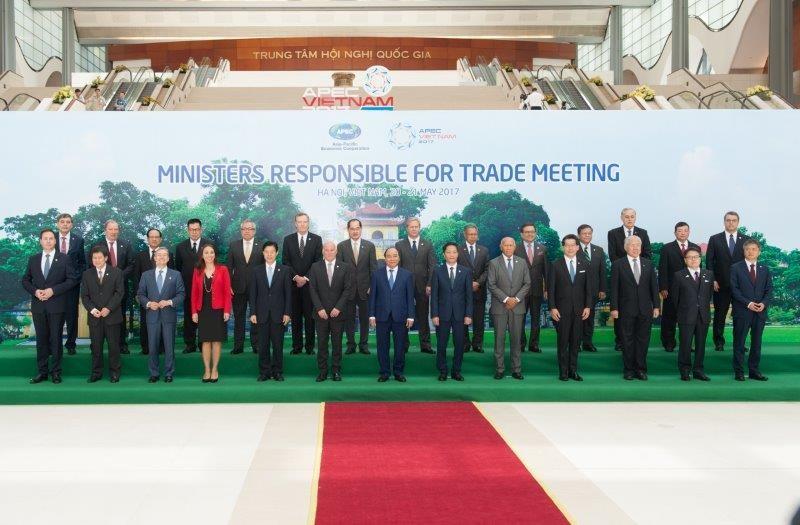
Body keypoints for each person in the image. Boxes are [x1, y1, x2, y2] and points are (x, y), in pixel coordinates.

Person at [22, 229, 77, 384]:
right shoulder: (33, 259)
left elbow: (71, 280)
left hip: (57, 306)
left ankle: (56, 372)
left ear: (55, 241)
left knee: (56, 340)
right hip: (38, 306)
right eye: (45, 238)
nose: (48, 241)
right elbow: (25, 280)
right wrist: (35, 291)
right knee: (41, 340)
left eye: (51, 238)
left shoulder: (64, 259)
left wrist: (53, 290)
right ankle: (42, 372)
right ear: (40, 241)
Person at [610, 235, 659, 381]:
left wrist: (656, 306)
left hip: (645, 309)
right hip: (625, 309)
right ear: (626, 247)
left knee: (643, 340)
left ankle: (641, 369)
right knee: (627, 340)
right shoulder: (618, 264)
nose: (636, 247)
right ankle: (629, 370)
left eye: (638, 244)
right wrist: (614, 308)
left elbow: (653, 288)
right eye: (632, 245)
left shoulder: (648, 264)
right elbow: (614, 289)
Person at [137, 247, 185, 384]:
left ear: (169, 259)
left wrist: (170, 302)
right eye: (159, 255)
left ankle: (169, 373)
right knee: (152, 346)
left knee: (169, 346)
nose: (162, 258)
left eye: (165, 255)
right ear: (155, 258)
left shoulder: (176, 275)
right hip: (152, 316)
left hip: (168, 316)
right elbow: (140, 294)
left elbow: (181, 294)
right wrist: (148, 303)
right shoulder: (146, 275)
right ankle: (154, 373)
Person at [607, 208, 652, 351]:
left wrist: (637, 266)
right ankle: (620, 341)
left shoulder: (643, 233)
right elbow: (613, 255)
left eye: (632, 216)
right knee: (620, 312)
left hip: (639, 274)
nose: (630, 219)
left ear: (635, 217)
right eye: (627, 217)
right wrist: (625, 268)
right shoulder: (613, 233)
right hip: (621, 276)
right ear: (622, 218)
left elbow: (647, 254)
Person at [548, 234, 591, 381]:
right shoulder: (555, 264)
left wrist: (588, 306)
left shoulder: (585, 264)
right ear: (562, 247)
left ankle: (573, 371)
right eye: (567, 245)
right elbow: (551, 289)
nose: (570, 248)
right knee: (563, 342)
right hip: (561, 311)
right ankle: (563, 372)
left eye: (573, 245)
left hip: (580, 311)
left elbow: (588, 289)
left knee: (575, 342)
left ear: (578, 247)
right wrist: (552, 307)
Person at [368, 247, 415, 382]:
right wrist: (372, 315)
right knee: (382, 345)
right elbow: (373, 296)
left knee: (400, 346)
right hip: (381, 316)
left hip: (400, 316)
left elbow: (409, 297)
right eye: (389, 256)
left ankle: (398, 372)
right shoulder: (377, 274)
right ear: (385, 258)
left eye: (395, 256)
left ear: (399, 258)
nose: (392, 258)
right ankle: (384, 372)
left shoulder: (407, 275)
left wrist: (411, 316)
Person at [309, 241, 353, 382]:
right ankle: (322, 372)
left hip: (337, 313)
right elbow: (312, 289)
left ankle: (336, 371)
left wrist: (338, 307)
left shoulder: (345, 267)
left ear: (336, 251)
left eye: (331, 250)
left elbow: (347, 289)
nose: (329, 252)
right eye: (326, 250)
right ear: (323, 251)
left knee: (337, 344)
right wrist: (319, 308)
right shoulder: (315, 267)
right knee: (321, 344)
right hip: (320, 313)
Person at [88, 220, 134, 354]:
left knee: (120, 315)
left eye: (116, 229)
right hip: (99, 288)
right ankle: (95, 345)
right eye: (110, 229)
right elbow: (91, 265)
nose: (113, 232)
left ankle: (121, 344)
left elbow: (131, 265)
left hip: (120, 287)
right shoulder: (96, 245)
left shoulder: (126, 245)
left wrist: (118, 277)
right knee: (98, 315)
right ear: (105, 230)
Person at [487, 237, 531, 380]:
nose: (508, 247)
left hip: (517, 307)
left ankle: (516, 369)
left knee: (516, 340)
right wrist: (506, 299)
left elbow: (527, 284)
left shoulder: (522, 262)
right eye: (505, 245)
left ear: (515, 247)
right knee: (499, 340)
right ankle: (499, 369)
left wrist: (516, 299)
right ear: (501, 246)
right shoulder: (493, 263)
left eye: (511, 245)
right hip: (500, 307)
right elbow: (491, 285)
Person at [249, 241, 292, 382]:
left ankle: (278, 372)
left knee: (278, 345)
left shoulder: (285, 270)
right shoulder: (256, 270)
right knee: (263, 345)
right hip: (261, 314)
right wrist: (253, 313)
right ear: (263, 253)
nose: (269, 254)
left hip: (278, 315)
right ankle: (264, 372)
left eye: (272, 252)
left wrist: (287, 313)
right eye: (266, 252)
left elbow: (288, 294)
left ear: (277, 253)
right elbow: (253, 294)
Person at [705, 211, 748, 352]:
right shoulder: (715, 239)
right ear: (724, 222)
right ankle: (718, 342)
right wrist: (713, 280)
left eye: (734, 220)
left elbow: (749, 261)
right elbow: (709, 261)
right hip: (720, 284)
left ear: (738, 222)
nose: (731, 223)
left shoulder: (746, 240)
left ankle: (739, 343)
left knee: (740, 315)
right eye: (728, 220)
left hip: (741, 286)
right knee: (719, 314)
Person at [730, 239, 772, 382]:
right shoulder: (735, 268)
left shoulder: (764, 269)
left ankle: (754, 371)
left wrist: (763, 304)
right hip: (742, 311)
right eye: (748, 249)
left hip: (760, 312)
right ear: (744, 251)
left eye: (754, 249)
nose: (751, 251)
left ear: (759, 251)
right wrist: (748, 303)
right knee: (739, 343)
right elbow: (734, 290)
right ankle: (739, 372)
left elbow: (769, 290)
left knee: (756, 343)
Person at [81, 245, 124, 383]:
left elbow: (119, 293)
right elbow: (85, 296)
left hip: (112, 316)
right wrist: (92, 310)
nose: (97, 260)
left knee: (113, 347)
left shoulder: (117, 272)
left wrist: (108, 308)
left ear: (106, 258)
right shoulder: (87, 274)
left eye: (100, 257)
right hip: (95, 318)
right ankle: (96, 373)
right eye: (94, 258)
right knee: (96, 348)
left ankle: (115, 373)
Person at [430, 243, 473, 381]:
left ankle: (456, 371)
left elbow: (469, 296)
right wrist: (434, 314)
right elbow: (434, 295)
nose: (451, 255)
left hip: (461, 315)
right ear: (444, 254)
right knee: (441, 344)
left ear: (457, 254)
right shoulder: (437, 271)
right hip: (442, 314)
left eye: (454, 252)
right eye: (448, 252)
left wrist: (468, 314)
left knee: (459, 344)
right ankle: (442, 371)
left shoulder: (465, 271)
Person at [282, 212, 323, 355]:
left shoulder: (317, 239)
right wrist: (296, 277)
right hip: (293, 285)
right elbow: (285, 261)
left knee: (310, 317)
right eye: (299, 222)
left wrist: (305, 278)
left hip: (310, 285)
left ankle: (310, 347)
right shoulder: (288, 240)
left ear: (308, 223)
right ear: (295, 223)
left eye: (305, 221)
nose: (302, 224)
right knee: (296, 317)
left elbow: (318, 262)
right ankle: (297, 346)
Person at [670, 247, 713, 381]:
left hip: (703, 316)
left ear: (700, 259)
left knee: (700, 345)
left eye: (696, 257)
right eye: (690, 257)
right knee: (685, 344)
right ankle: (685, 370)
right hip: (686, 316)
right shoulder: (679, 275)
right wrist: (683, 311)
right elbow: (675, 298)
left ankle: (698, 370)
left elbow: (709, 295)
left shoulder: (709, 274)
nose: (693, 259)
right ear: (685, 260)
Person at [191, 243, 232, 383]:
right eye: (206, 252)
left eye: (212, 252)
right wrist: (194, 312)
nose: (209, 255)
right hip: (203, 310)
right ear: (202, 255)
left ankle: (215, 369)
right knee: (205, 341)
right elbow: (194, 293)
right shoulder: (197, 271)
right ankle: (206, 369)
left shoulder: (223, 269)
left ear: (215, 254)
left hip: (218, 310)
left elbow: (227, 292)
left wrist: (227, 310)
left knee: (216, 341)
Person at [658, 222, 701, 353]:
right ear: (675, 232)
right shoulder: (667, 248)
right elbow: (662, 269)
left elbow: (700, 268)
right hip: (671, 289)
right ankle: (669, 343)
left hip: (692, 289)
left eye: (685, 230)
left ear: (689, 232)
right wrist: (663, 287)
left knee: (690, 317)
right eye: (680, 231)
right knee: (669, 317)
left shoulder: (695, 247)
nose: (682, 233)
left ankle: (689, 344)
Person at [395, 217, 436, 354]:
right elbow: (397, 266)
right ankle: (403, 345)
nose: (414, 229)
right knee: (403, 316)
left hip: (423, 286)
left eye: (416, 226)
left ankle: (425, 345)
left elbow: (432, 266)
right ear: (407, 228)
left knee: (423, 316)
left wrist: (430, 283)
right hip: (404, 286)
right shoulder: (400, 245)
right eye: (411, 227)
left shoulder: (428, 244)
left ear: (419, 227)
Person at [337, 218, 377, 355]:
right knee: (349, 319)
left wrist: (372, 285)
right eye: (352, 228)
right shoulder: (341, 246)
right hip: (348, 290)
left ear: (361, 229)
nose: (355, 231)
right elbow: (339, 270)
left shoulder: (370, 246)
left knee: (365, 319)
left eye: (357, 228)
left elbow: (374, 269)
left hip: (365, 289)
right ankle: (351, 344)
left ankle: (364, 344)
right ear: (348, 230)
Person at [227, 219, 264, 355]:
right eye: (244, 229)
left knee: (256, 317)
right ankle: (238, 346)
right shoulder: (233, 245)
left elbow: (264, 268)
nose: (247, 231)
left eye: (250, 229)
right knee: (239, 317)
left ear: (254, 231)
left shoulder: (261, 246)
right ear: (241, 230)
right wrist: (229, 285)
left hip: (257, 288)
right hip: (238, 288)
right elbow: (229, 267)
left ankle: (256, 345)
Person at [133, 228, 172, 356]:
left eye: (157, 237)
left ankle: (162, 347)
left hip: (164, 298)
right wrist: (138, 295)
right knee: (146, 322)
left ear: (160, 239)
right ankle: (146, 347)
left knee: (164, 322)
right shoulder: (140, 256)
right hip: (146, 298)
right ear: (147, 239)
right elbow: (136, 277)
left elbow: (173, 275)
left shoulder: (168, 255)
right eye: (151, 237)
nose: (154, 239)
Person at [175, 218, 210, 354]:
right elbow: (178, 267)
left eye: (197, 229)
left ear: (201, 229)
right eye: (191, 229)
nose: (194, 232)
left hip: (206, 288)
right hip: (188, 288)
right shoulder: (180, 247)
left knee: (204, 317)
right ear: (188, 230)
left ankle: (203, 344)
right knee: (189, 317)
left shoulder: (209, 244)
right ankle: (189, 344)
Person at [515, 222, 548, 353]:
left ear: (535, 233)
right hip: (519, 291)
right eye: (527, 232)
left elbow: (546, 271)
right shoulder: (515, 249)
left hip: (537, 290)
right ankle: (520, 345)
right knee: (520, 319)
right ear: (522, 234)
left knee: (536, 318)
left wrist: (547, 289)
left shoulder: (542, 249)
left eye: (532, 231)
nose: (530, 234)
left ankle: (534, 344)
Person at [55, 212, 85, 355]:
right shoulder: (51, 238)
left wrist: (75, 279)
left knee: (72, 315)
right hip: (53, 285)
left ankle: (71, 344)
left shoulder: (78, 240)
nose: (65, 224)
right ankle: (54, 344)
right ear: (57, 224)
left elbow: (82, 263)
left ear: (71, 224)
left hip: (72, 284)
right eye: (62, 221)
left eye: (68, 222)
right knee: (54, 314)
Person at [457, 224, 489, 353]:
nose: (473, 236)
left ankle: (477, 344)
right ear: (465, 235)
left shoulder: (484, 250)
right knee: (463, 318)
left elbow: (487, 270)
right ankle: (465, 344)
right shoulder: (458, 250)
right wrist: (468, 283)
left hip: (479, 290)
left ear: (478, 235)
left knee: (479, 319)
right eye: (470, 234)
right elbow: (456, 268)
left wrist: (478, 283)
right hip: (462, 291)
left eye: (475, 234)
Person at [576, 224, 606, 352]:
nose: (587, 235)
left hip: (593, 291)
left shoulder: (598, 250)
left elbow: (602, 272)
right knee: (577, 318)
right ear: (579, 235)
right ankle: (576, 344)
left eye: (589, 233)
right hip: (576, 291)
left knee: (589, 318)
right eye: (584, 233)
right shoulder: (573, 249)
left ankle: (587, 343)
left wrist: (602, 289)